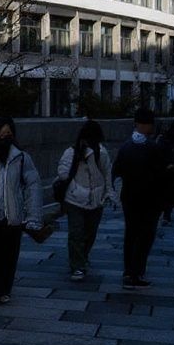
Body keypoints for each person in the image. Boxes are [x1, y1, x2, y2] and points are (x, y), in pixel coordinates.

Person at [0, 116, 42, 304]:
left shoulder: (21, 158)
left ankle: (4, 289)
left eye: (8, 133)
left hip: (13, 216)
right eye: (2, 134)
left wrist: (33, 217)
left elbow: (33, 186)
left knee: (9, 256)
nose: (5, 137)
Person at [111, 109, 169, 290]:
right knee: (145, 237)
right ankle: (136, 273)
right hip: (149, 200)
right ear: (148, 125)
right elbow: (161, 175)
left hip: (129, 198)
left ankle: (129, 271)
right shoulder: (153, 148)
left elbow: (116, 172)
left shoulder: (125, 147)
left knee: (131, 234)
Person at [58, 120, 117, 281]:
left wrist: (109, 193)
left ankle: (81, 258)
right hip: (74, 199)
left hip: (95, 199)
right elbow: (63, 173)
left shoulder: (101, 153)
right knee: (77, 232)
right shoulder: (72, 152)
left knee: (90, 233)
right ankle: (77, 265)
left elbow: (107, 173)